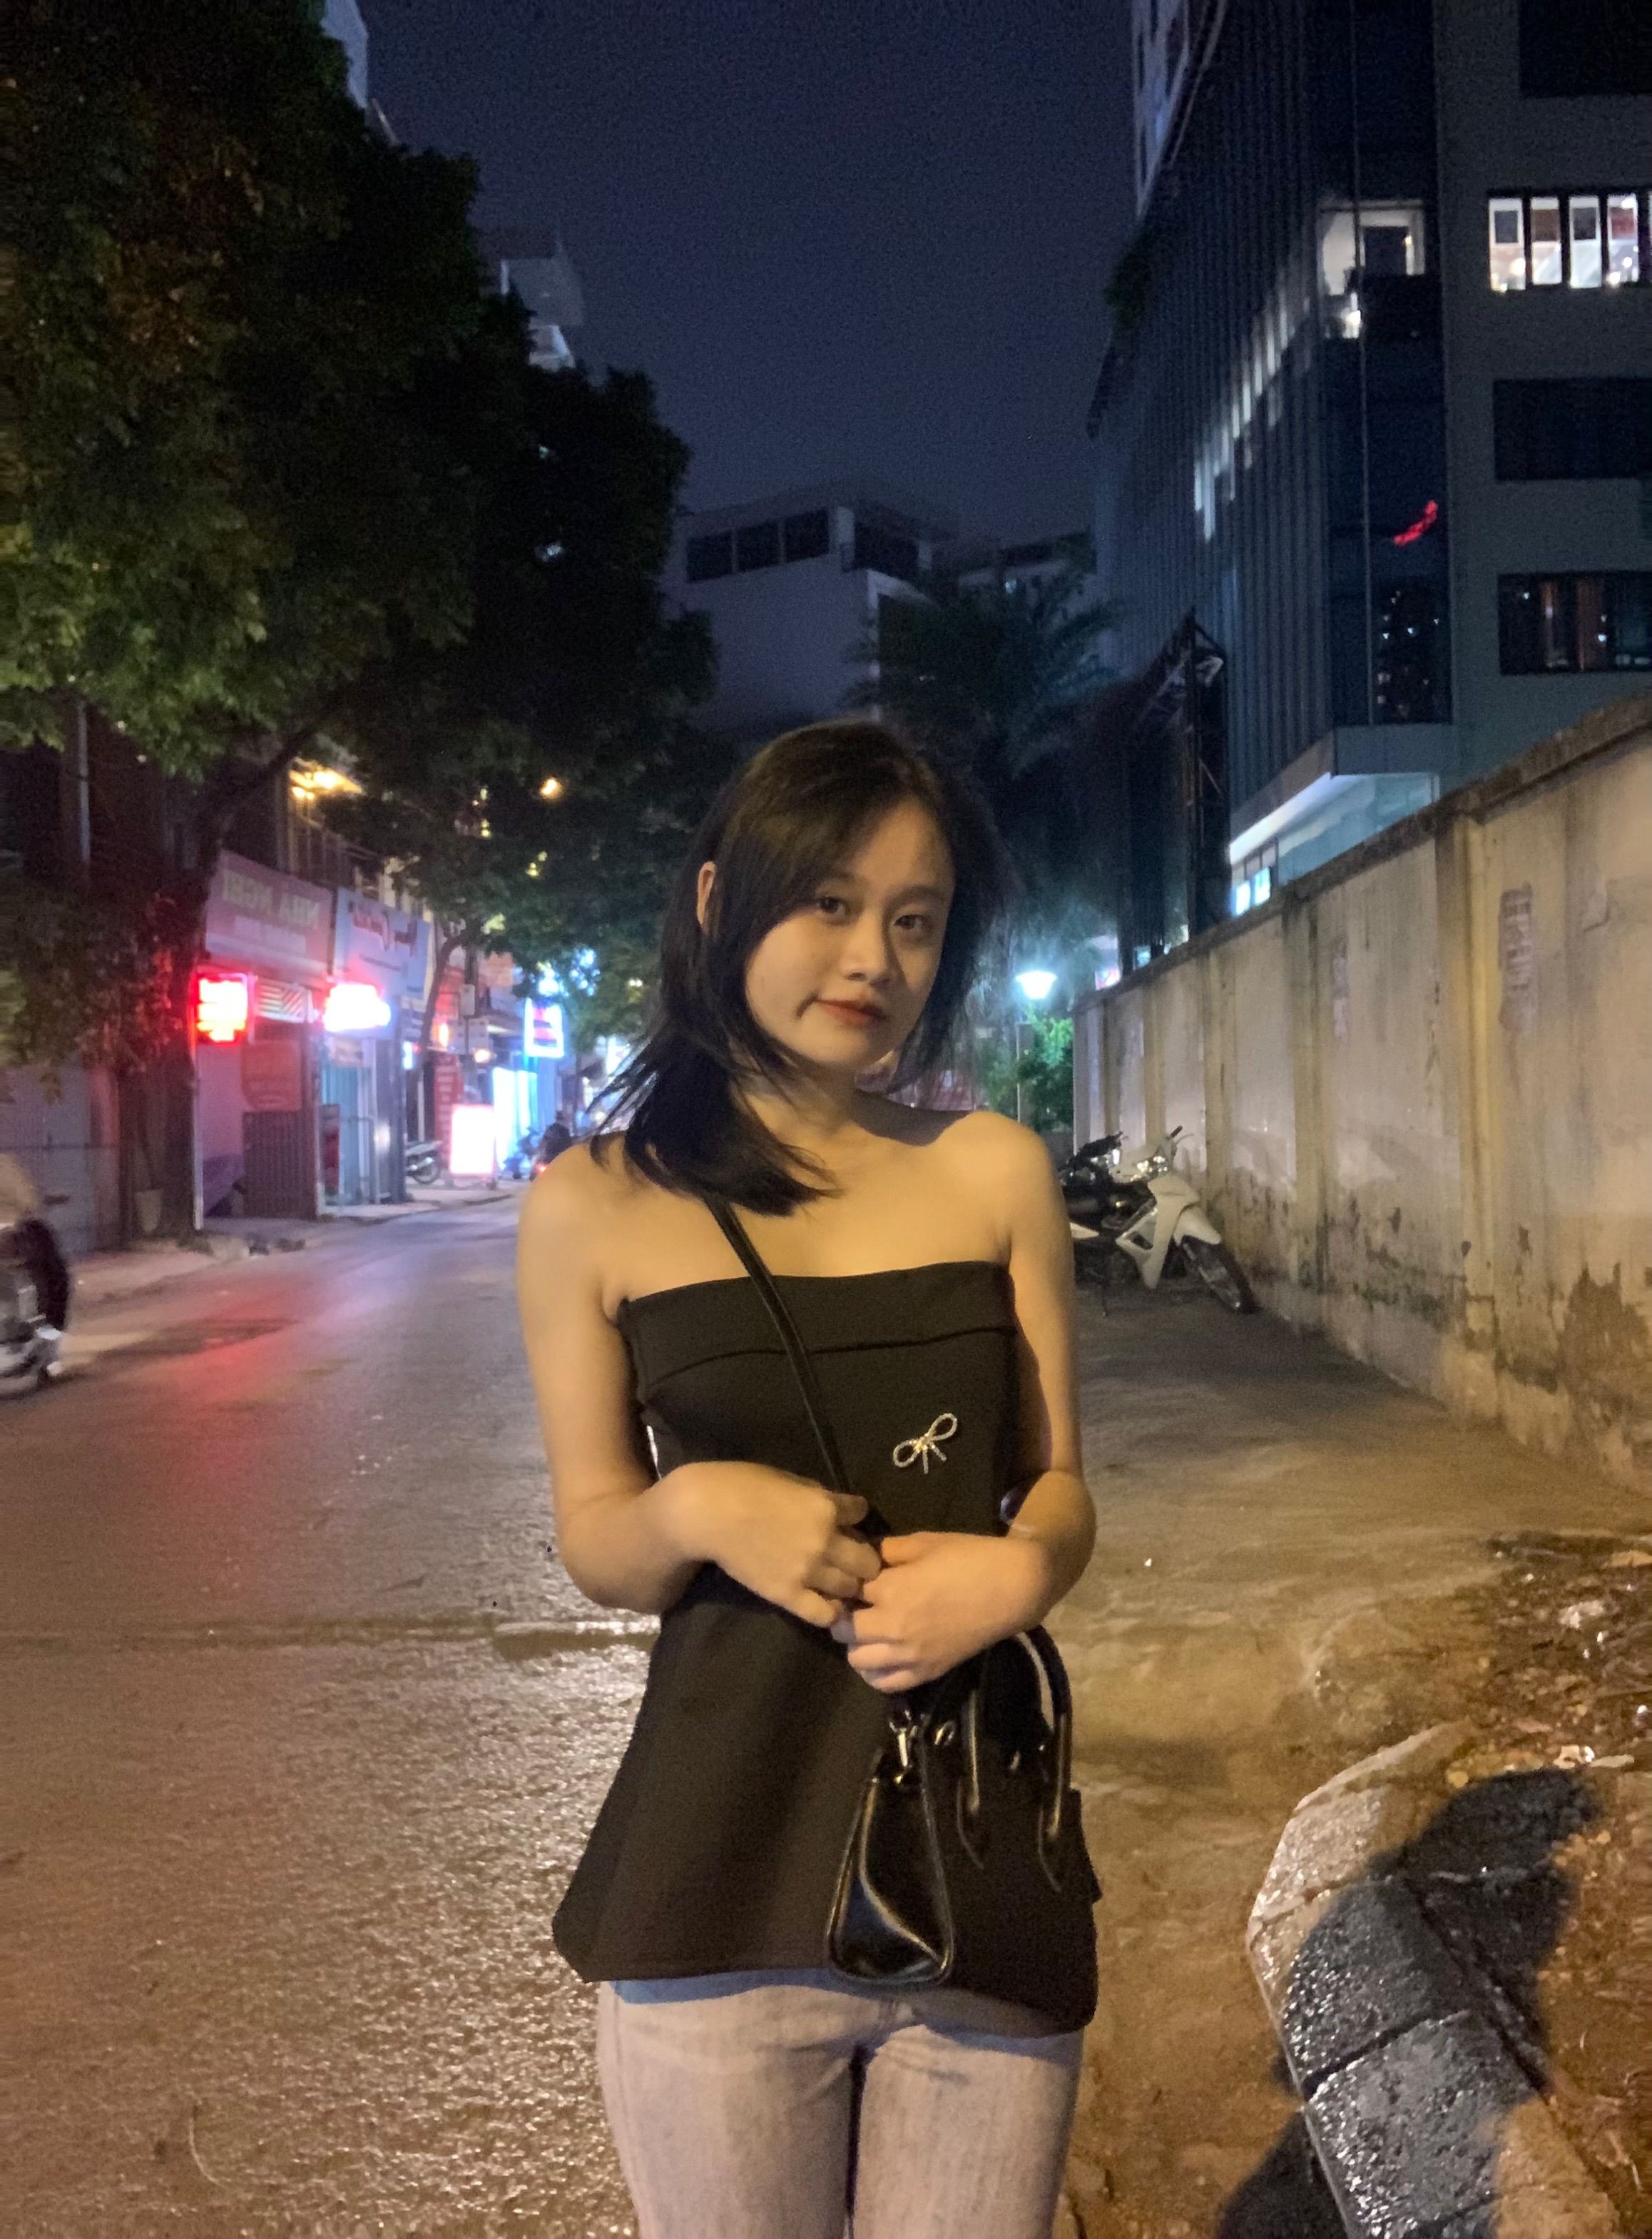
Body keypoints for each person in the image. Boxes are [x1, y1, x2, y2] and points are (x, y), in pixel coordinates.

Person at [516, 721, 1097, 2239]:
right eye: (830, 902)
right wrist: (699, 1507)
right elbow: (599, 1537)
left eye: (915, 919)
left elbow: (1057, 1487)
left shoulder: (994, 1169)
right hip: (715, 1883)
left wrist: (1020, 1571)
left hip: (973, 1868)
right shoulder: (594, 1205)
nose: (872, 957)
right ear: (722, 902)